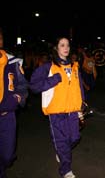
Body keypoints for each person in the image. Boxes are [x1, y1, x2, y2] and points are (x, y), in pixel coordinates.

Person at [30, 37, 85, 178]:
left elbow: (79, 88)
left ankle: (62, 151)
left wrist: (81, 106)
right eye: (62, 45)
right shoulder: (48, 67)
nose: (65, 48)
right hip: (56, 111)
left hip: (73, 110)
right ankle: (65, 170)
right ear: (56, 48)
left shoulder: (74, 66)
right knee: (62, 141)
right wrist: (53, 79)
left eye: (67, 45)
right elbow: (34, 86)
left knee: (75, 138)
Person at [0, 28, 28, 178]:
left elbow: (22, 86)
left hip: (7, 116)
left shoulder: (13, 62)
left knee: (7, 155)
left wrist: (17, 98)